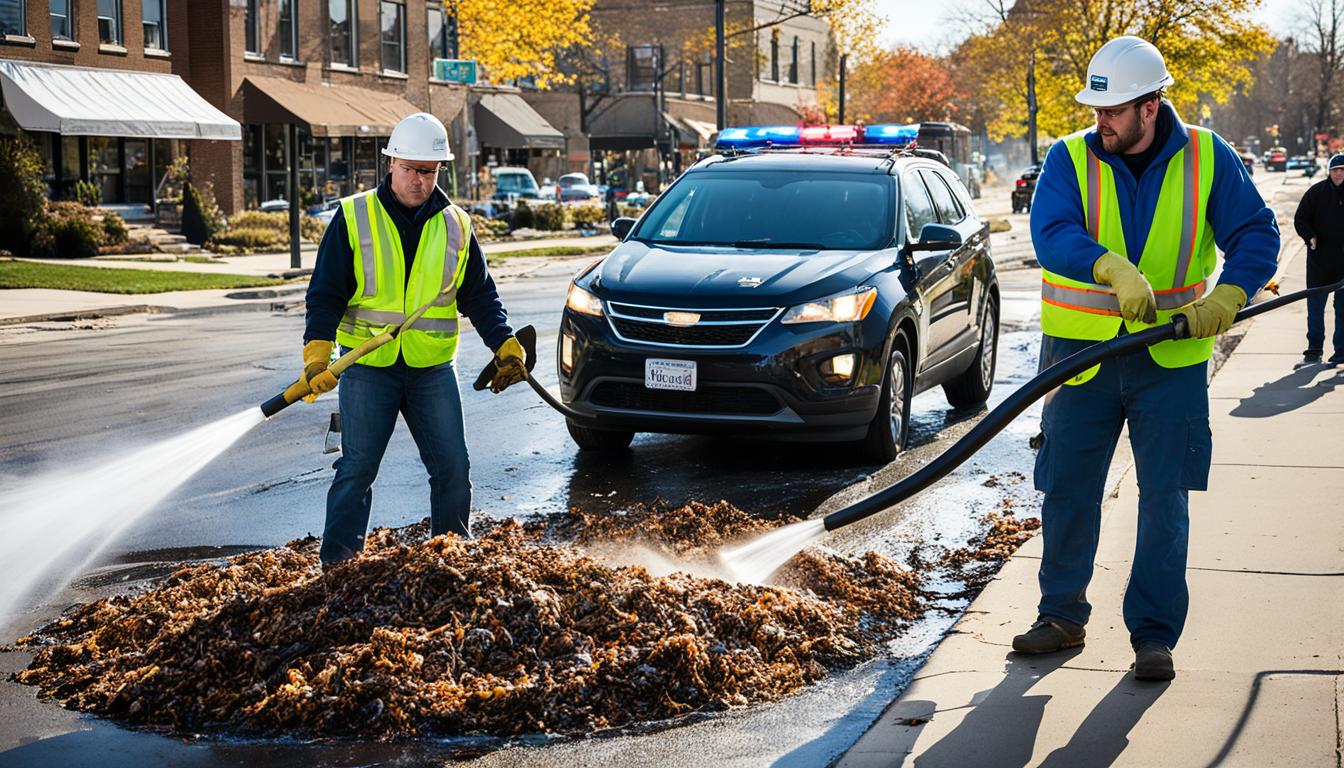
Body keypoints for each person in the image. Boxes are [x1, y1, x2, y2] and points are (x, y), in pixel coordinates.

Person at [1021, 36, 1279, 680]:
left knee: (1165, 499)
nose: (1099, 120)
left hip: (1173, 360)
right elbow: (1052, 233)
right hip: (1080, 360)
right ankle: (1060, 615)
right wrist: (1106, 264)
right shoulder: (1069, 157)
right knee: (1068, 489)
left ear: (1151, 105)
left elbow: (1255, 233)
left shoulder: (1206, 158)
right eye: (1095, 109)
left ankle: (1154, 635)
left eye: (1112, 111)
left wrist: (1230, 293)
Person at [299, 112, 527, 565]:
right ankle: (337, 567)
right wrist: (317, 355)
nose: (418, 180)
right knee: (356, 469)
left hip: (430, 369)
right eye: (409, 169)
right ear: (391, 163)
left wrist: (503, 342)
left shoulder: (457, 225)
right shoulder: (353, 216)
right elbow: (325, 294)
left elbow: (479, 294)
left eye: (428, 171)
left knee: (453, 469)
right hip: (367, 368)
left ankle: (451, 559)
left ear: (440, 169)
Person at [1292, 152, 1344, 366]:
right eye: (1335, 170)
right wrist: (1310, 236)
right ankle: (1314, 350)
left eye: (1342, 170)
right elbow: (1300, 218)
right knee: (1315, 308)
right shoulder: (1316, 193)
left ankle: (1341, 352)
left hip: (1343, 263)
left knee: (1342, 310)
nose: (1339, 173)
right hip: (1319, 261)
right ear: (1329, 171)